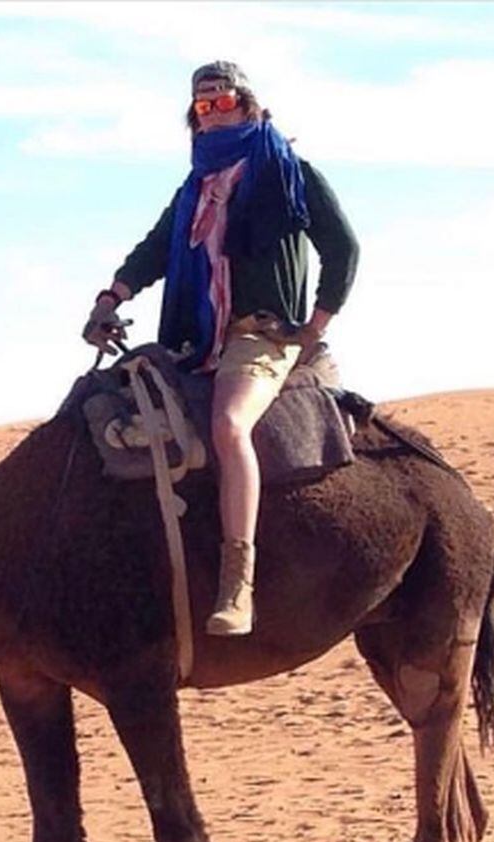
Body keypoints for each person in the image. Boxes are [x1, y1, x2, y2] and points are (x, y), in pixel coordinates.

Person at [82, 61, 359, 636]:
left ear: (247, 104)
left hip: (260, 335)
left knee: (229, 426)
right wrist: (111, 297)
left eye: (222, 101)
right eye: (202, 106)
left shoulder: (287, 172)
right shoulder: (193, 190)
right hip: (194, 336)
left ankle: (238, 585)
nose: (212, 113)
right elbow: (155, 251)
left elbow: (344, 246)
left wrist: (313, 326)